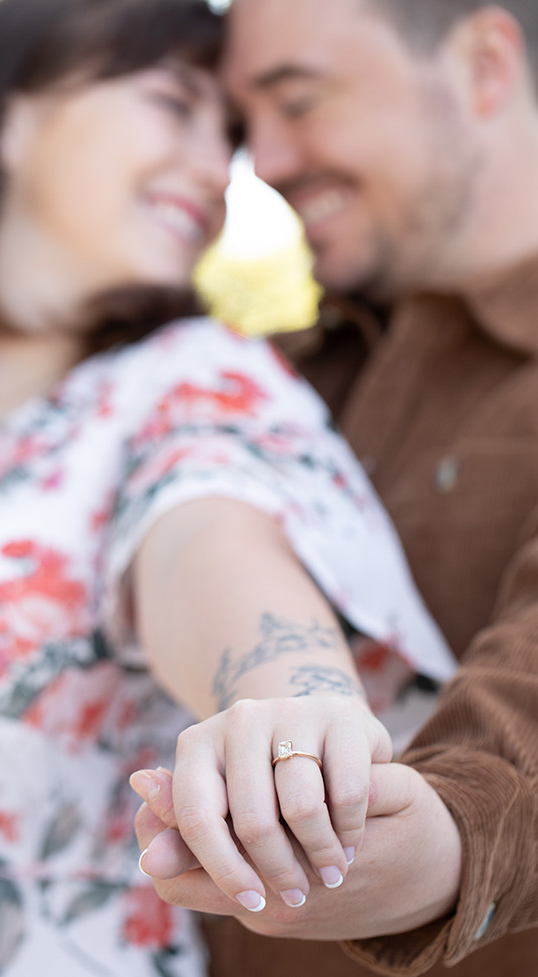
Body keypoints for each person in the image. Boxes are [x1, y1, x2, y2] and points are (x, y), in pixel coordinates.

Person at [0, 0, 455, 973]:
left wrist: (290, 701)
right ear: (9, 113)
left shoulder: (188, 378)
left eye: (224, 139)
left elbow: (210, 527)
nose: (215, 168)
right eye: (173, 105)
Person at [129, 0, 538, 972]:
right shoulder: (264, 373)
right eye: (242, 127)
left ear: (483, 66)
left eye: (298, 101)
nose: (259, 162)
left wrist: (444, 840)